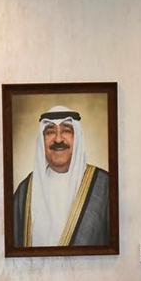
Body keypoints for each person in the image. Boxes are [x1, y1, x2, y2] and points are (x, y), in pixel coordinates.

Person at [11, 106, 111, 247]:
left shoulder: (104, 185)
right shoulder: (26, 190)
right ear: (42, 140)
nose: (58, 139)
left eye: (67, 131)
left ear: (77, 137)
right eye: (50, 132)